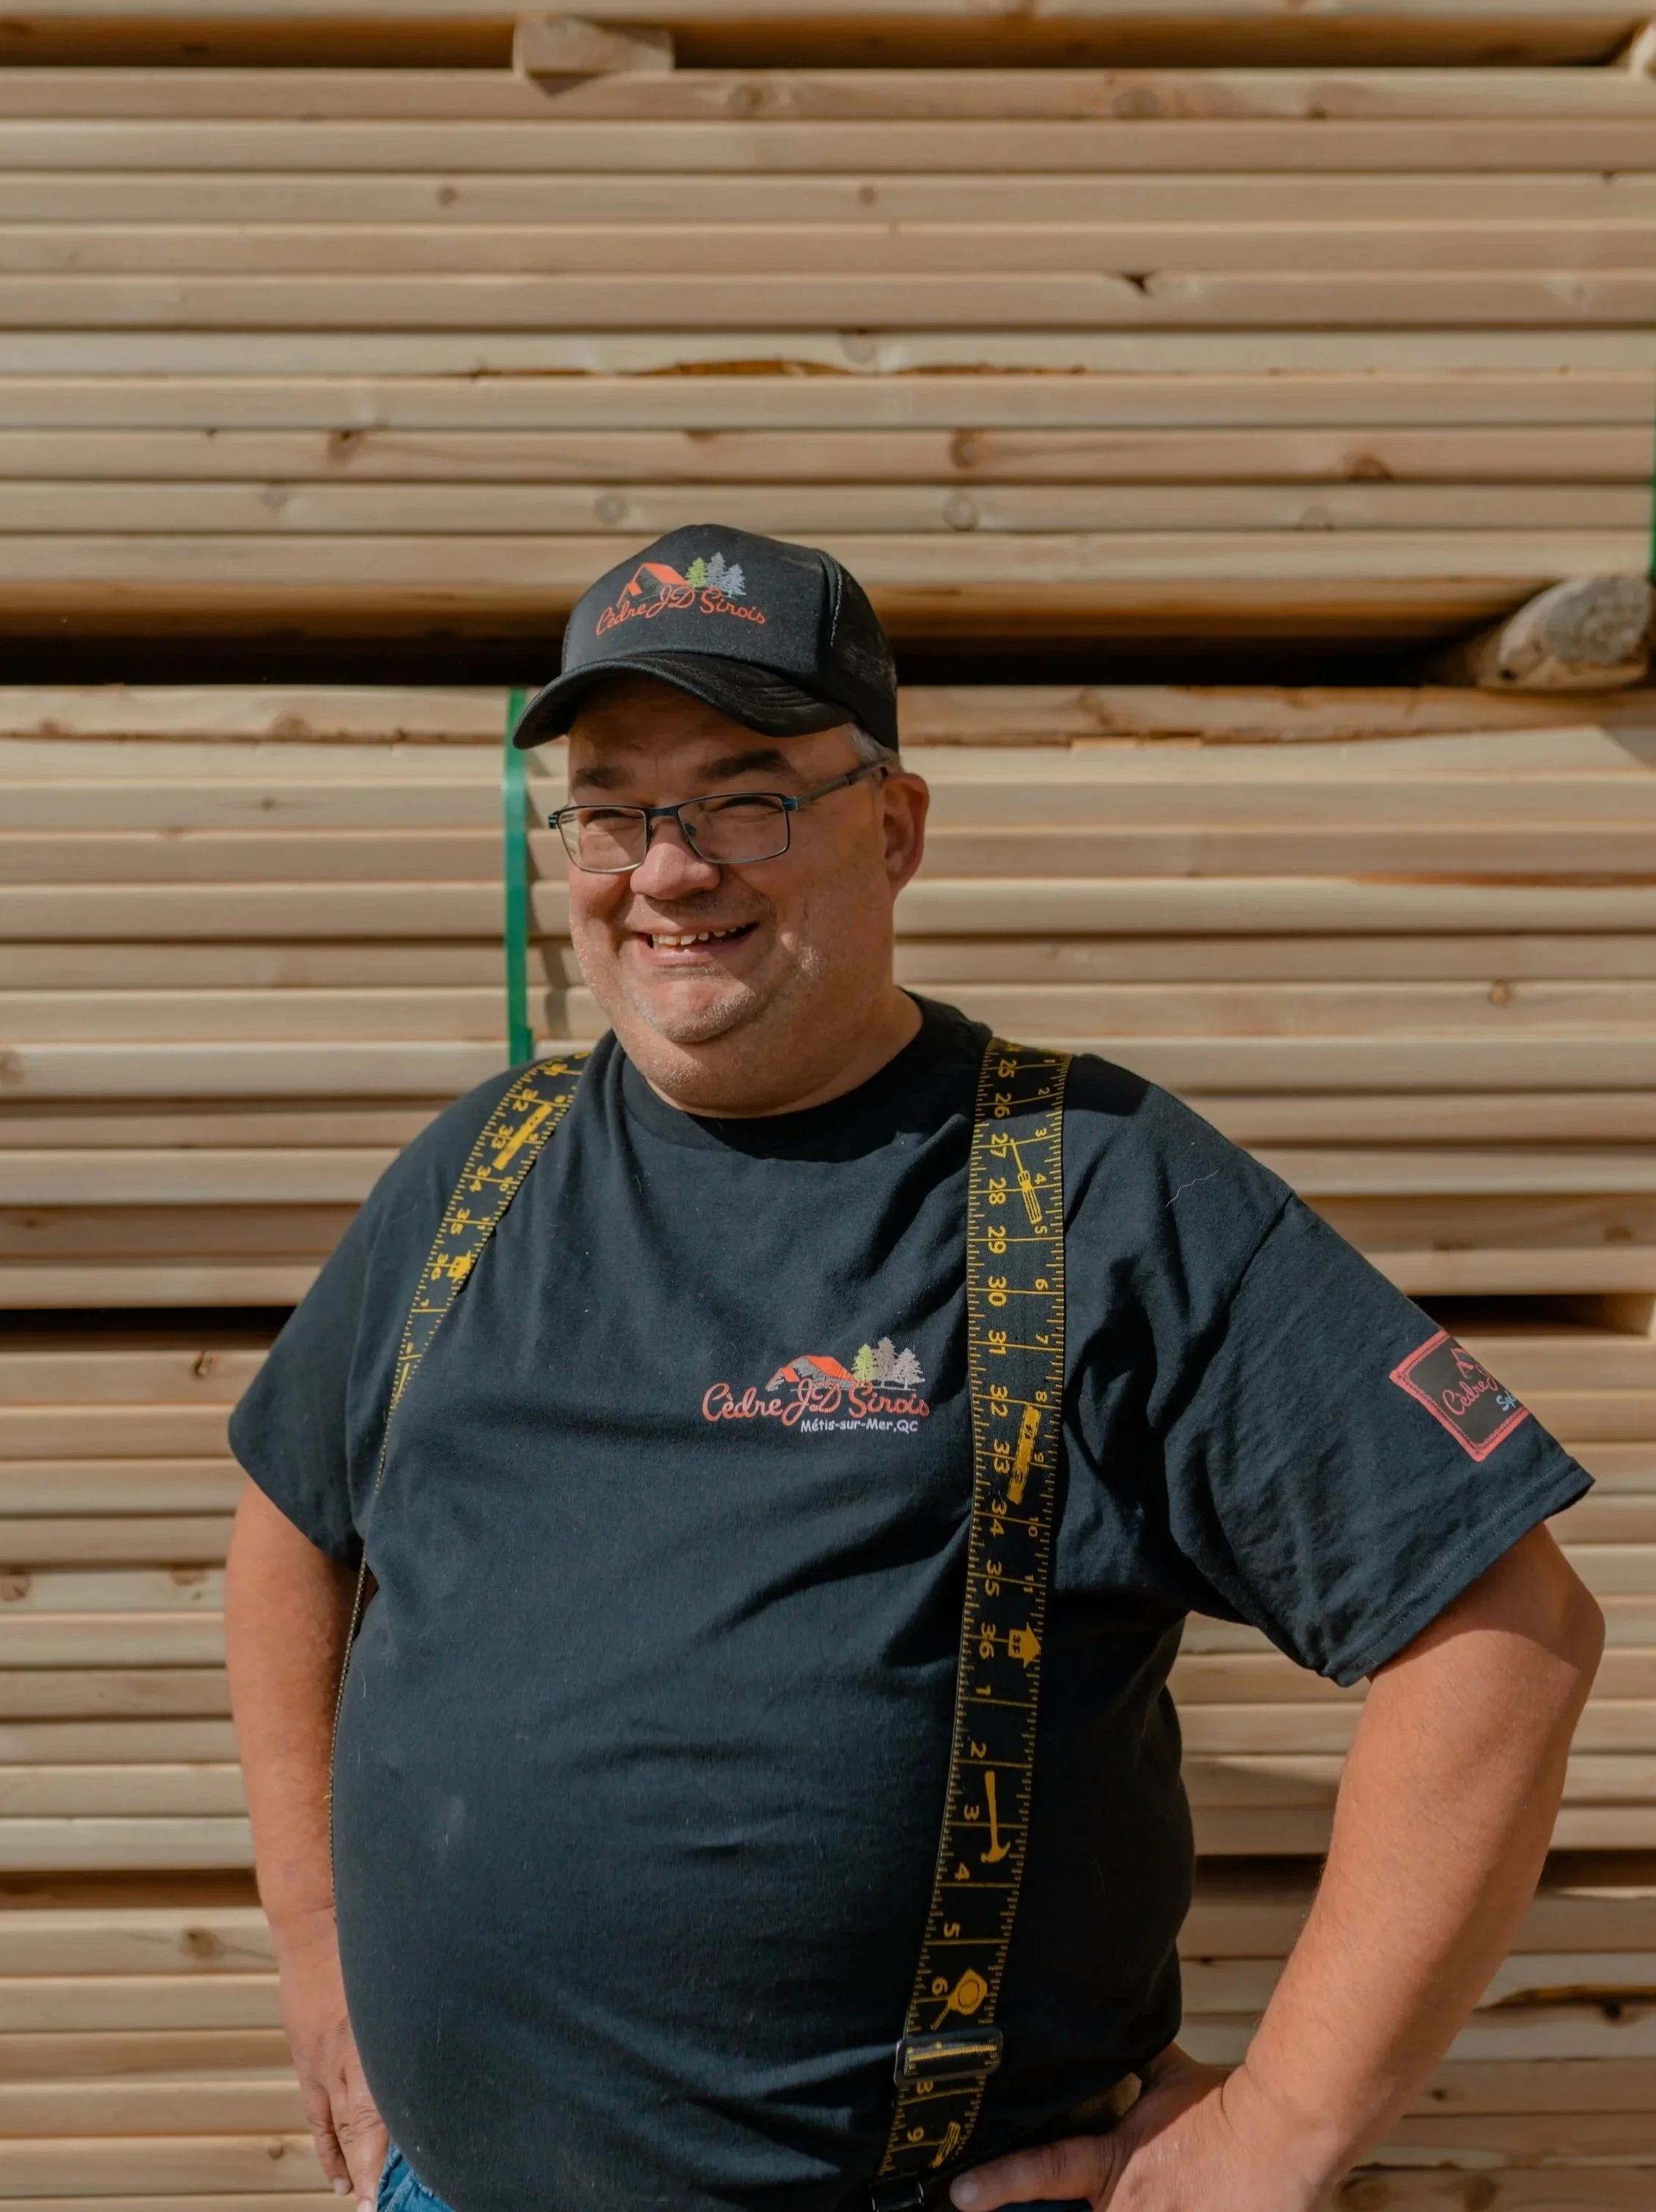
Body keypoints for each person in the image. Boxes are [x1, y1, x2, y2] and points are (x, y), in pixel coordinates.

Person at [224, 524, 1603, 2212]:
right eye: (609, 807)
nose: (667, 869)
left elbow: (1503, 1628)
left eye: (742, 799)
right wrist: (314, 1943)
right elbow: (290, 1516)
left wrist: (1278, 2129)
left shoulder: (1096, 1190)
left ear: (893, 827)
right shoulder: (478, 1169)